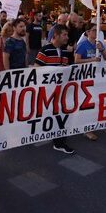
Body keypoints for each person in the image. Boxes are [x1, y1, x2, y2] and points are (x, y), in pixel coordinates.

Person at [35, 24, 74, 154]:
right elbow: (37, 69)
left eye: (67, 35)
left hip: (61, 91)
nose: (67, 37)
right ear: (56, 35)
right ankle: (59, 143)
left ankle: (59, 141)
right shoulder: (45, 50)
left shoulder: (64, 51)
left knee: (61, 115)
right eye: (64, 35)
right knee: (57, 116)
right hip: (49, 92)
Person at [74, 22, 106, 141]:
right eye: (94, 30)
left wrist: (102, 50)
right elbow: (77, 61)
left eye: (97, 30)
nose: (96, 32)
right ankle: (86, 128)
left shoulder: (98, 44)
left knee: (95, 102)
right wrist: (92, 60)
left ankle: (90, 123)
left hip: (97, 78)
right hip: (85, 78)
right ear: (88, 32)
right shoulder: (82, 45)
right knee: (87, 103)